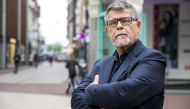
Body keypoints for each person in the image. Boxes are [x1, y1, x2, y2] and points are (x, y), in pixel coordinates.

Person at [71, 1, 166, 109]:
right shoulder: (101, 64)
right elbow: (76, 97)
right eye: (113, 23)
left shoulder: (153, 59)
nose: (119, 26)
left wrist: (91, 90)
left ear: (138, 26)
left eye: (125, 20)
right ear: (107, 31)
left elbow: (125, 93)